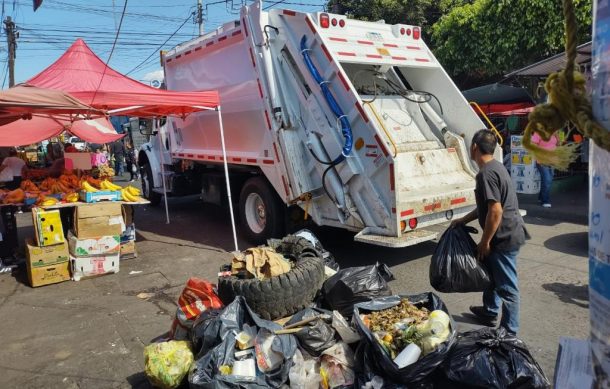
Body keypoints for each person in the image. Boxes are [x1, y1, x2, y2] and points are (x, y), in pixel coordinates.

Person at [451, 129, 529, 335]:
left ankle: (510, 331)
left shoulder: (486, 174)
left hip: (504, 237)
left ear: (474, 147)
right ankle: (489, 311)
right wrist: (463, 219)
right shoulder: (496, 167)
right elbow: (485, 206)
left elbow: (495, 211)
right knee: (491, 274)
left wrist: (485, 242)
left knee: (507, 287)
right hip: (507, 232)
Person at [531, 132, 558, 208]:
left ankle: (541, 197)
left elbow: (557, 144)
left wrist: (556, 135)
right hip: (542, 160)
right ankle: (545, 201)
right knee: (547, 179)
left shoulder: (554, 131)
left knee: (548, 179)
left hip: (552, 160)